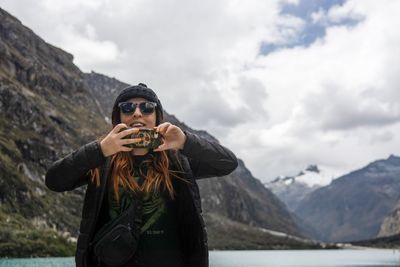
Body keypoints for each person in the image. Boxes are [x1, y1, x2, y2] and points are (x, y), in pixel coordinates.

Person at [45, 83, 238, 267]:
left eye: (147, 107)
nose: (137, 112)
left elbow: (228, 164)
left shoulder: (178, 161)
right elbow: (54, 180)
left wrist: (186, 142)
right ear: (118, 117)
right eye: (128, 107)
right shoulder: (102, 159)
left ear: (156, 117)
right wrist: (100, 150)